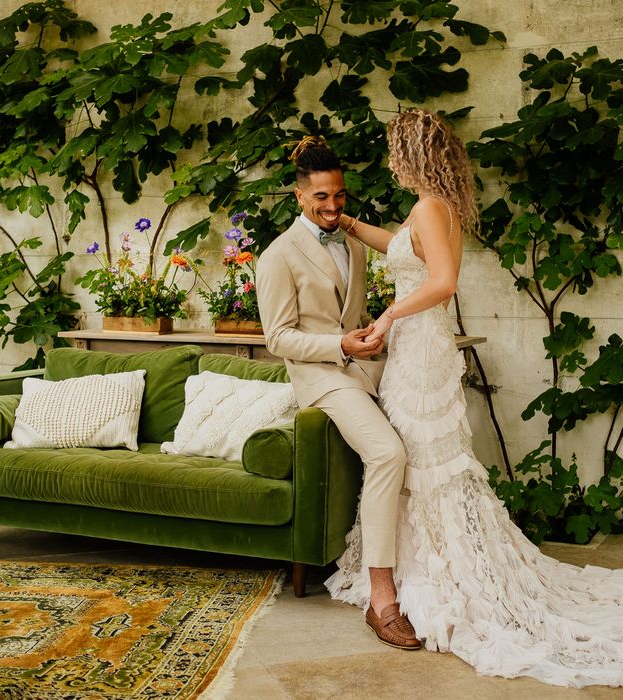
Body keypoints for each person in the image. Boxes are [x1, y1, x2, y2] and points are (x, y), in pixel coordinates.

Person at [325, 107, 623, 687]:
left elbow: (441, 282)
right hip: (418, 344)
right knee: (414, 457)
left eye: (394, 151)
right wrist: (356, 227)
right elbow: (410, 255)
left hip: (421, 347)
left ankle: (446, 569)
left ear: (409, 155)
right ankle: (417, 560)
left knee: (421, 458)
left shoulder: (430, 207)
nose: (389, 161)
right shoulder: (432, 208)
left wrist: (386, 316)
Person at [256, 137, 421, 651]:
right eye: (321, 198)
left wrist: (370, 336)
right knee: (388, 452)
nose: (332, 207)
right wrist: (339, 346)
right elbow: (277, 338)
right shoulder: (277, 256)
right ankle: (381, 599)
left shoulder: (350, 243)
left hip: (362, 367)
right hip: (321, 378)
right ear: (300, 198)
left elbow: (350, 318)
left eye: (340, 197)